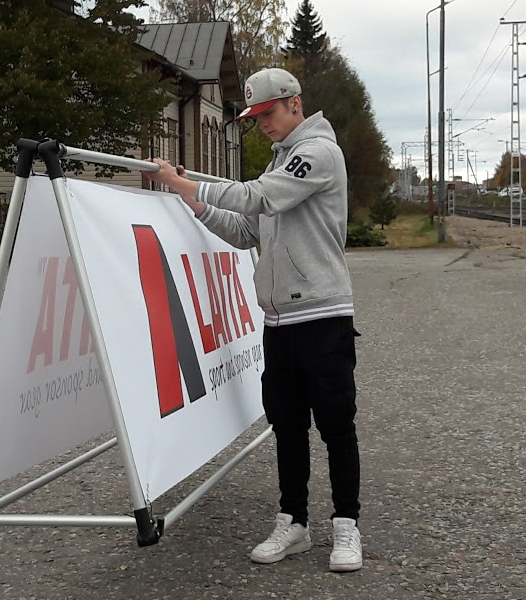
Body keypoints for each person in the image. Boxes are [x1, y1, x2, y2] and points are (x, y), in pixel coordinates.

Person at [144, 67, 362, 573]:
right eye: (255, 116)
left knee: (335, 425)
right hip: (279, 320)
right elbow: (246, 229)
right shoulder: (282, 163)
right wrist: (191, 201)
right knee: (286, 424)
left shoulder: (317, 154)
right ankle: (294, 522)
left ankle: (346, 526)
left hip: (323, 313)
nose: (261, 123)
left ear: (294, 103)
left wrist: (185, 179)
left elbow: (258, 197)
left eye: (267, 113)